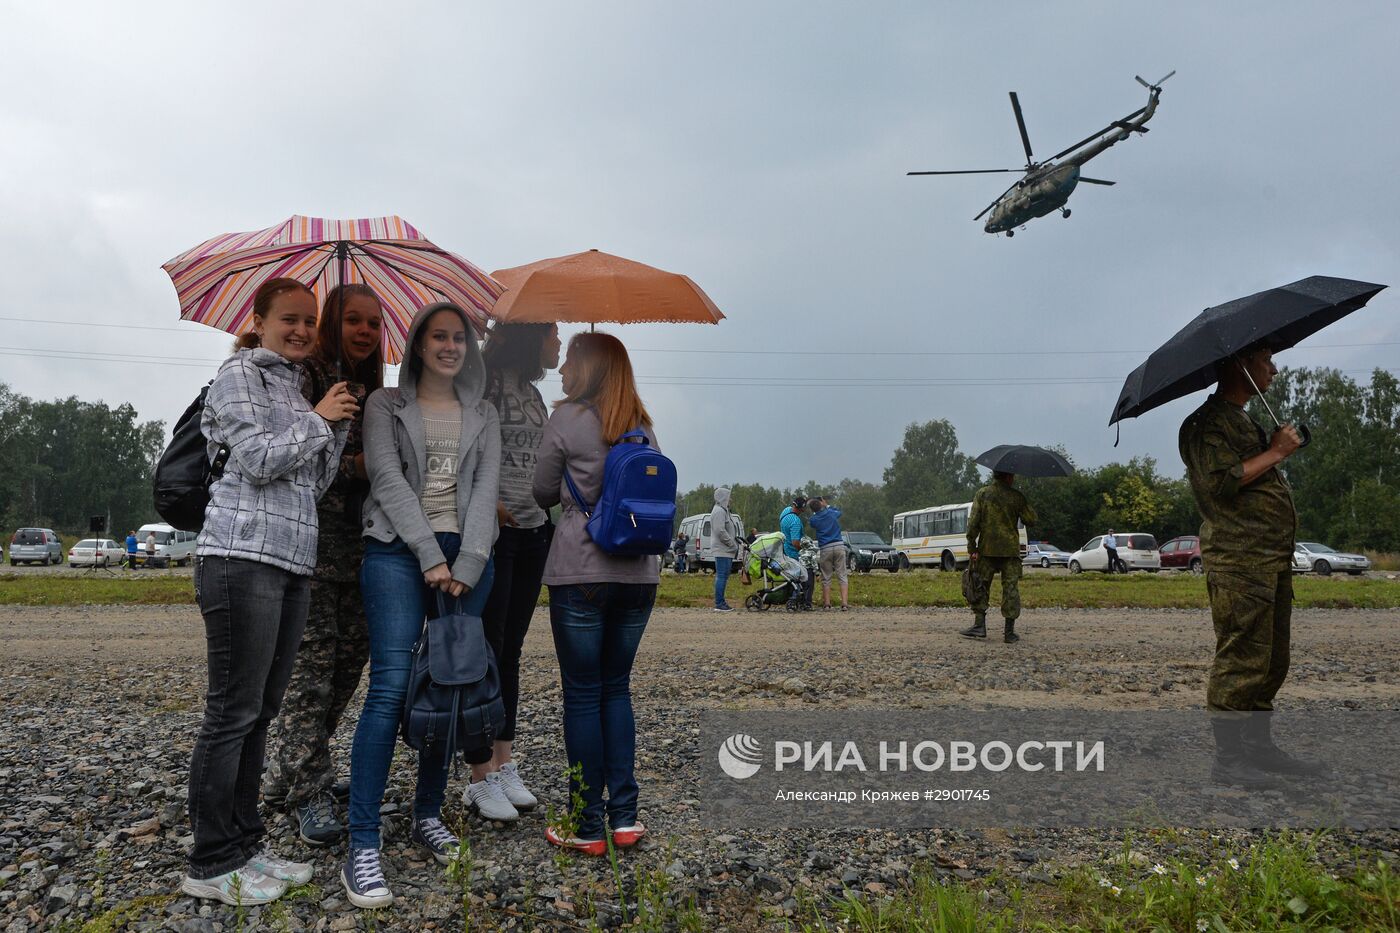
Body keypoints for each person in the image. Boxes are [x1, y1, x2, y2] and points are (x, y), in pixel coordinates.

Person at [182, 278, 356, 906]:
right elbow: (257, 460)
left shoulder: (296, 385)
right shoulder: (238, 376)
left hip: (292, 559)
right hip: (240, 555)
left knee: (261, 712)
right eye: (290, 319)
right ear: (258, 321)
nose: (303, 330)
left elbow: (311, 482)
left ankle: (246, 845)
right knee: (232, 711)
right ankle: (211, 860)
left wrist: (334, 427)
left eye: (310, 321)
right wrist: (317, 419)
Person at [343, 302, 501, 909]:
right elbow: (385, 479)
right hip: (395, 550)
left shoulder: (483, 413)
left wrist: (470, 561)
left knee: (451, 684)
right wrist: (428, 553)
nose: (450, 346)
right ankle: (363, 842)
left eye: (458, 337)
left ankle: (427, 813)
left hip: (466, 559)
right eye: (438, 336)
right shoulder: (386, 406)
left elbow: (485, 489)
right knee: (389, 686)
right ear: (417, 344)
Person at [262, 284, 384, 846]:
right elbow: (287, 456)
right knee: (309, 676)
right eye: (353, 320)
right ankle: (308, 790)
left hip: (361, 548)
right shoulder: (303, 378)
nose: (365, 331)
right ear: (330, 322)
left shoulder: (372, 391)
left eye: (374, 323)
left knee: (346, 670)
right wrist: (355, 462)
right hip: (307, 547)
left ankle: (289, 772)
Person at [533, 332, 659, 856]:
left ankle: (586, 823)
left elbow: (541, 491)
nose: (562, 370)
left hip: (581, 571)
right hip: (639, 576)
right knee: (617, 689)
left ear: (587, 368)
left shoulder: (566, 419)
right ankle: (624, 818)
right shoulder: (642, 427)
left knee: (583, 695)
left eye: (569, 361)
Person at [1179, 345, 1323, 787]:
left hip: (1268, 558)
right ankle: (1229, 761)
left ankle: (1258, 747)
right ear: (1239, 364)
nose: (1274, 370)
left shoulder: (1241, 419)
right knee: (1242, 659)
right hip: (1240, 561)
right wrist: (1276, 451)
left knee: (1272, 660)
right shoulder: (1206, 423)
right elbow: (1221, 483)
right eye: (1265, 360)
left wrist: (1274, 446)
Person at [467, 321, 562, 821]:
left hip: (533, 530)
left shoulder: (533, 393)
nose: (559, 342)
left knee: (512, 650)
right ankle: (478, 772)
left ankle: (504, 763)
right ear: (530, 335)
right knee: (488, 647)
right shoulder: (486, 382)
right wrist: (488, 503)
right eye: (553, 333)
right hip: (495, 531)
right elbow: (464, 447)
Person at [960, 470, 1037, 643]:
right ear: (1009, 476)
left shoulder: (983, 494)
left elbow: (973, 523)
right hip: (1010, 552)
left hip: (987, 549)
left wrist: (972, 547)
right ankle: (1009, 632)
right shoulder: (1016, 497)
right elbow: (1032, 519)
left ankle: (979, 625)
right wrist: (1023, 505)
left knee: (980, 585)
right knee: (1010, 590)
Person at [808, 496, 849, 610]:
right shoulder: (831, 513)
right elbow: (839, 512)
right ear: (821, 504)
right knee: (842, 575)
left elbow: (811, 522)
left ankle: (827, 604)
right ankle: (844, 603)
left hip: (825, 548)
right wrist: (827, 505)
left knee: (826, 577)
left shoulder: (814, 519)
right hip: (839, 545)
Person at [709, 487, 740, 612]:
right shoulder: (719, 511)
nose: (730, 499)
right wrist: (732, 544)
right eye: (728, 497)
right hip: (723, 549)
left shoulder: (723, 510)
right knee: (721, 576)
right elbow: (720, 531)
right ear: (723, 498)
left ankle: (721, 602)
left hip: (726, 549)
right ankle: (719, 603)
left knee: (724, 576)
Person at [778, 495, 807, 560]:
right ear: (802, 509)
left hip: (785, 551)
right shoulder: (795, 521)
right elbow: (795, 543)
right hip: (794, 555)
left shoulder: (786, 510)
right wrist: (804, 550)